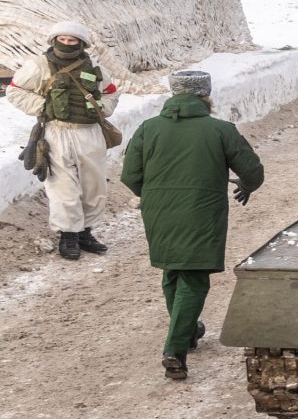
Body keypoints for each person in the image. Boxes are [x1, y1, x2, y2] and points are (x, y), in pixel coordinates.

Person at [120, 70, 265, 380]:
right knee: (194, 277)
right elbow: (252, 169)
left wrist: (157, 196)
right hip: (202, 211)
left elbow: (130, 176)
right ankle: (175, 349)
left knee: (174, 271)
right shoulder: (220, 130)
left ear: (174, 95)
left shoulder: (148, 128)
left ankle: (186, 332)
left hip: (158, 211)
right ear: (205, 95)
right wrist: (247, 185)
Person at [7, 21, 119, 260]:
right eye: (63, 39)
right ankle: (68, 235)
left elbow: (111, 91)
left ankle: (85, 233)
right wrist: (43, 106)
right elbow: (15, 91)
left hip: (89, 133)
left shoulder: (94, 66)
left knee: (94, 186)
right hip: (56, 132)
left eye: (73, 40)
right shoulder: (39, 65)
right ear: (54, 40)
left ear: (82, 43)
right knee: (62, 187)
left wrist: (102, 108)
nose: (67, 44)